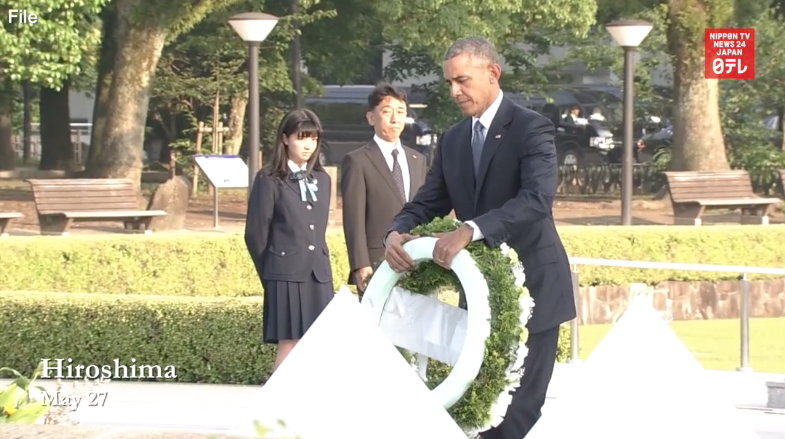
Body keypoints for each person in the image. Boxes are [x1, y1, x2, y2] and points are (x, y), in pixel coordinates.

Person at [383, 37, 576, 439]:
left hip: (536, 288)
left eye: (462, 81)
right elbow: (429, 200)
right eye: (449, 83)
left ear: (492, 74)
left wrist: (470, 229)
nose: (454, 91)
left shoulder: (532, 128)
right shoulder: (453, 139)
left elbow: (536, 200)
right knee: (479, 409)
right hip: (478, 296)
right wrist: (396, 231)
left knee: (518, 411)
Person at [244, 109, 334, 371]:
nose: (308, 145)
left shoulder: (322, 179)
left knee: (319, 343)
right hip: (283, 274)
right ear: (285, 139)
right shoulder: (269, 179)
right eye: (301, 137)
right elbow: (255, 233)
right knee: (291, 342)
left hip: (319, 274)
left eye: (313, 138)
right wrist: (271, 272)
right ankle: (276, 409)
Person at [340, 83, 428, 298]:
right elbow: (354, 218)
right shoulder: (358, 160)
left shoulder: (418, 159)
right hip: (378, 261)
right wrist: (360, 265)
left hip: (417, 261)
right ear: (371, 117)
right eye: (387, 112)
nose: (395, 119)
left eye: (401, 112)